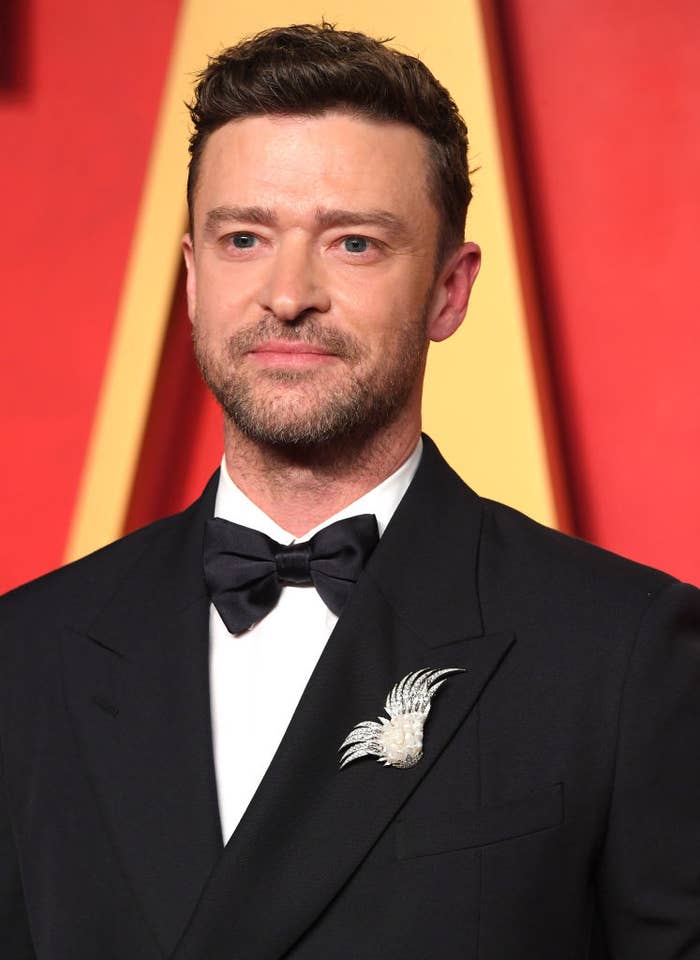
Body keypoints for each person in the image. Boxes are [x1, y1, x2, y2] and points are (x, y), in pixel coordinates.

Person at [1, 22, 699, 960]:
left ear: (450, 291)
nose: (288, 293)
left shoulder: (627, 655)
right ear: (194, 278)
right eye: (245, 237)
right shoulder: (27, 655)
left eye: (355, 245)